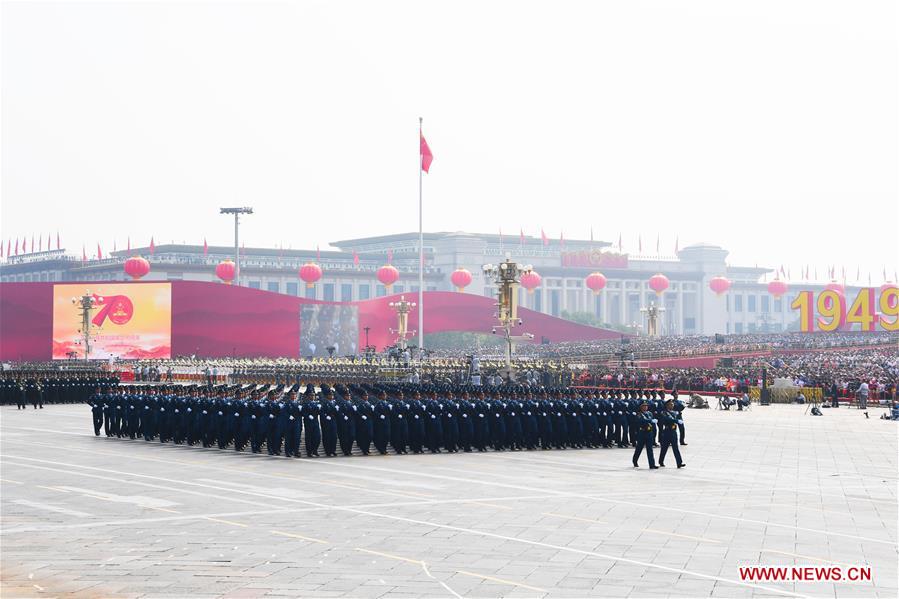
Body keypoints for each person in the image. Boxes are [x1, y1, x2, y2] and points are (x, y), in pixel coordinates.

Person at [657, 399, 685, 468]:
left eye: (672, 404)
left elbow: (681, 407)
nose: (672, 406)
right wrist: (677, 420)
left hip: (673, 432)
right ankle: (661, 461)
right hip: (667, 432)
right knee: (664, 448)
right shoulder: (664, 412)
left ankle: (679, 463)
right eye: (670, 404)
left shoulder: (674, 412)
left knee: (675, 448)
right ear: (667, 405)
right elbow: (668, 419)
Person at [632, 401, 658, 469]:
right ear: (641, 407)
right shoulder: (639, 414)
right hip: (642, 432)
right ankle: (635, 461)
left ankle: (652, 464)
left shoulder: (650, 413)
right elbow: (641, 421)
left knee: (650, 449)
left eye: (646, 406)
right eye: (644, 406)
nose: (646, 407)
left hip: (649, 432)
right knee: (639, 448)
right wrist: (650, 421)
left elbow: (652, 423)